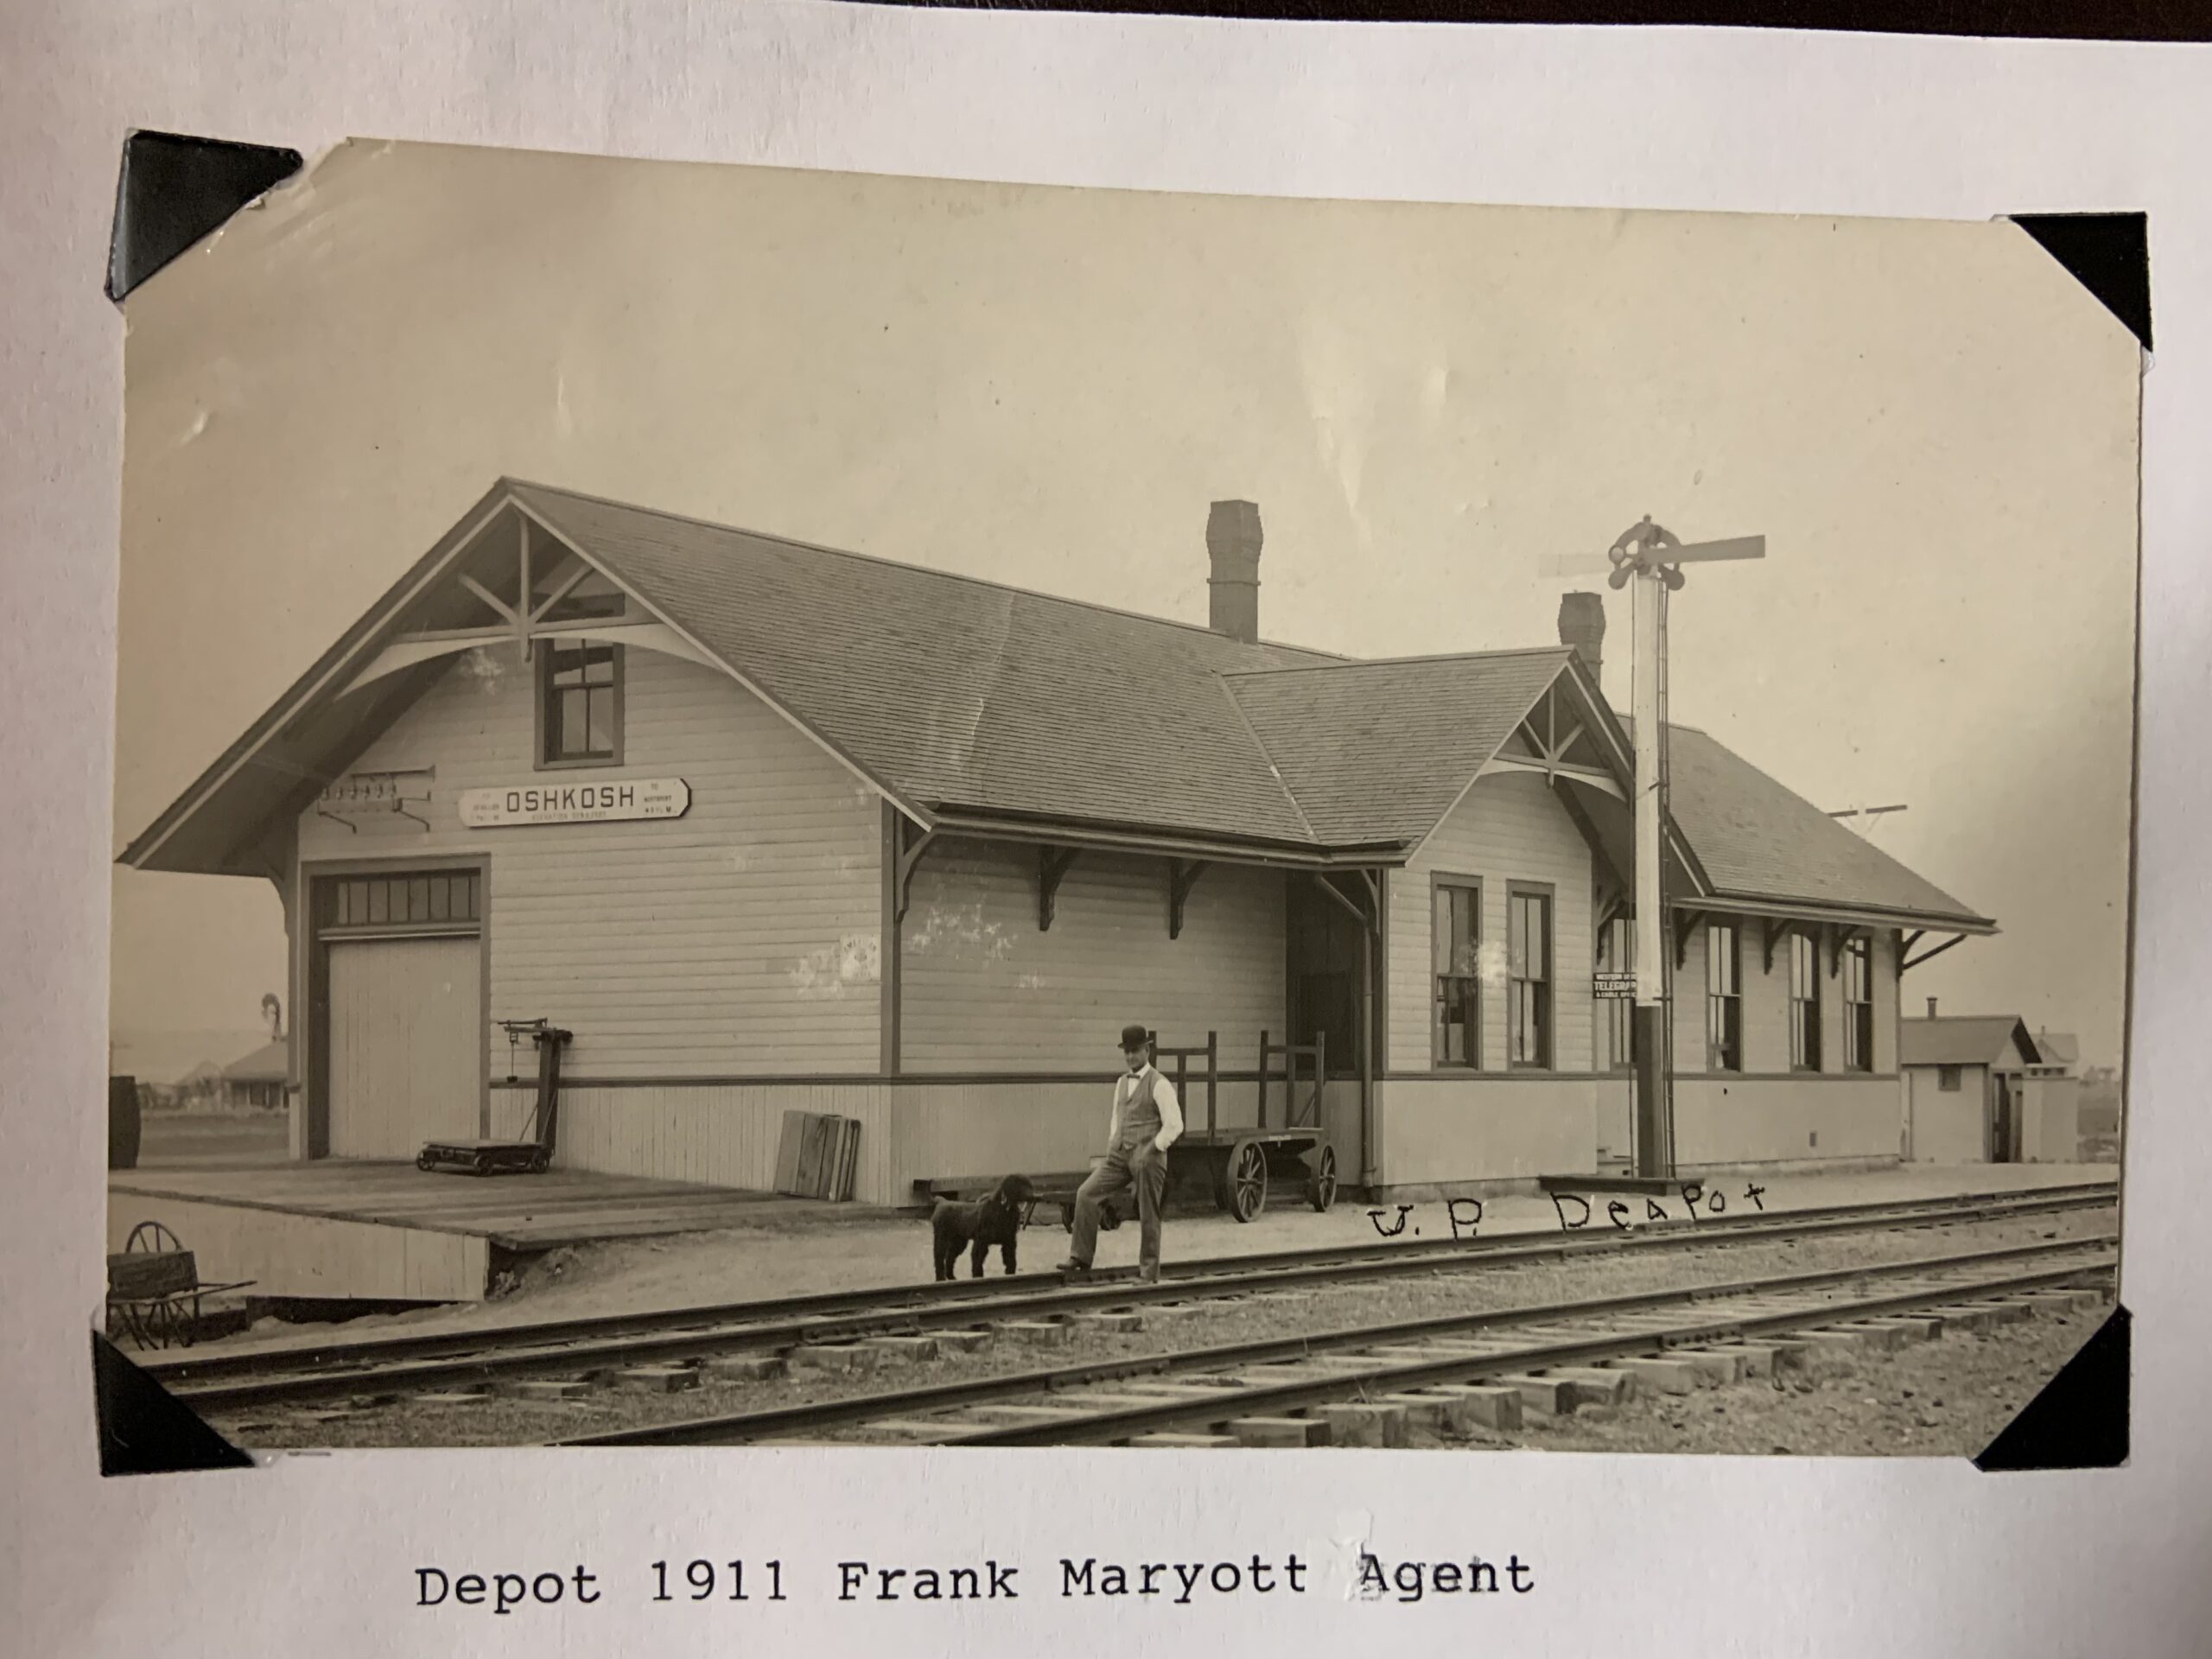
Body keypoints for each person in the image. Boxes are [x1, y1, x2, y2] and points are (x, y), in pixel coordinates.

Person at [1060, 1023, 1184, 1282]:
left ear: (1147, 1050)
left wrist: (1153, 1148)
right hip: (1120, 1155)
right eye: (1126, 1052)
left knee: (1148, 1212)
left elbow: (1175, 1125)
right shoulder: (1121, 1082)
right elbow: (1117, 1117)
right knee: (1086, 1194)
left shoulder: (1160, 1084)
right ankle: (1080, 1257)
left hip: (1148, 1157)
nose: (1130, 1056)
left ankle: (1149, 1272)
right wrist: (1113, 1143)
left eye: (1135, 1051)